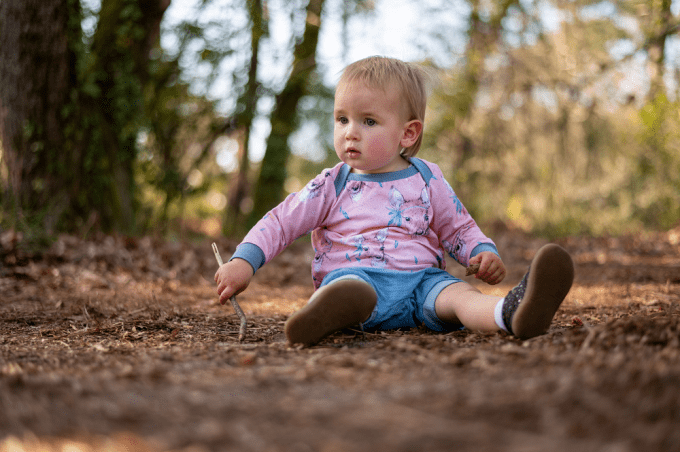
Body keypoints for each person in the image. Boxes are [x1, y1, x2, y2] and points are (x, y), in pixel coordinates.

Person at [214, 56, 574, 346]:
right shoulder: (332, 183)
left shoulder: (426, 177)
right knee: (348, 286)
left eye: (368, 121)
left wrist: (480, 251)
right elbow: (281, 222)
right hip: (357, 278)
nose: (350, 131)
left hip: (422, 284)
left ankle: (510, 314)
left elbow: (456, 225)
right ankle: (328, 314)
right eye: (342, 119)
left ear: (408, 132)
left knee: (460, 296)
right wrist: (244, 262)